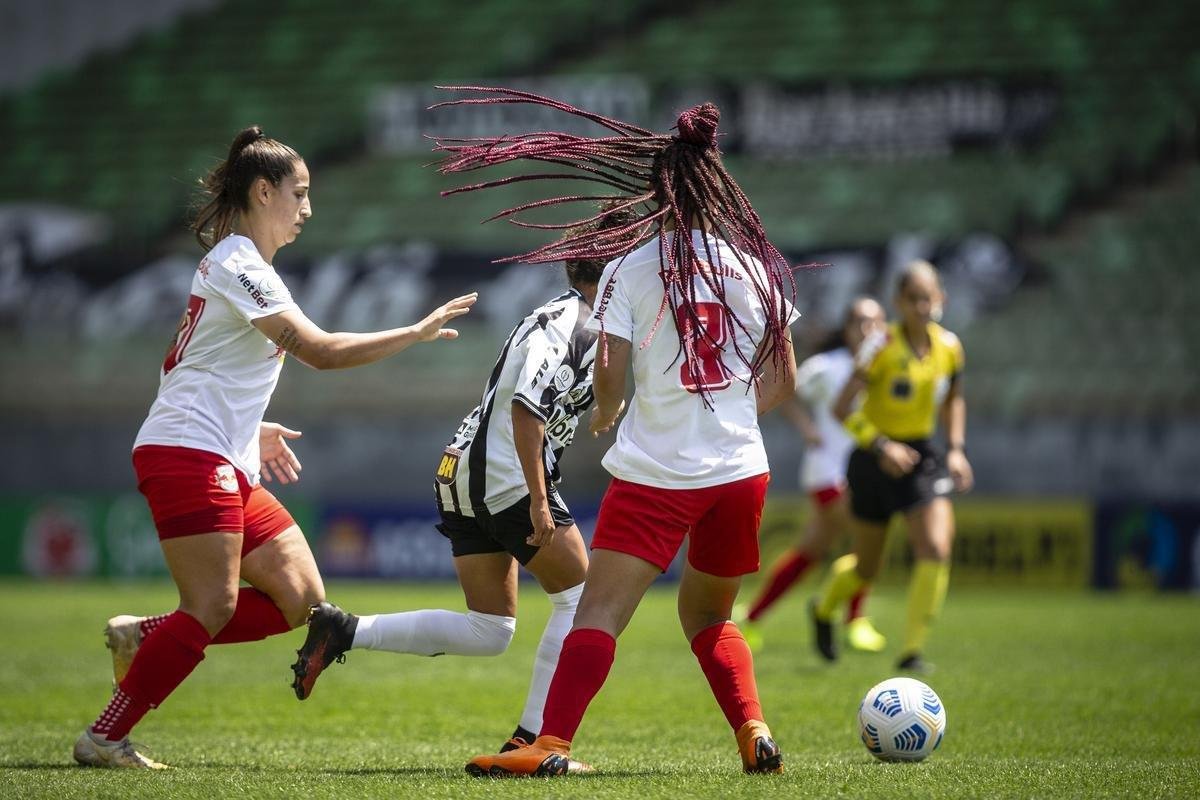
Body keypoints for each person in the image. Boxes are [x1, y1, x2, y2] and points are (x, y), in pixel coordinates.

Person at [72, 126, 477, 769]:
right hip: (186, 452)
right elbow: (317, 350)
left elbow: (193, 364)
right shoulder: (238, 264)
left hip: (218, 449)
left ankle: (143, 636)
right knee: (211, 606)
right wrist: (416, 331)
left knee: (302, 598)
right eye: (301, 194)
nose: (307, 210)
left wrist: (248, 426)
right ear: (264, 192)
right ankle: (104, 737)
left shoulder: (245, 269)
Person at [427, 89, 798, 777]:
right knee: (710, 619)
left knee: (597, 609)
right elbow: (783, 380)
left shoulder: (631, 267)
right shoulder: (757, 267)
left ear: (659, 190)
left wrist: (605, 412)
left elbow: (611, 370)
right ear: (718, 186)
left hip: (657, 472)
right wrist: (731, 419)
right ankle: (754, 733)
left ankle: (551, 744)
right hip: (741, 471)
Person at [287, 205, 641, 766]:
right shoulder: (575, 324)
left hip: (462, 472)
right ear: (614, 272)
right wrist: (541, 498)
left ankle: (344, 630)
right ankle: (531, 743)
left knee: (490, 629)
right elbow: (528, 410)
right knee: (582, 600)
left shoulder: (572, 319)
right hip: (504, 477)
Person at [809, 260, 973, 673]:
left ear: (942, 300)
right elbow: (843, 407)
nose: (922, 306)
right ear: (899, 302)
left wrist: (955, 448)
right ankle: (825, 606)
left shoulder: (950, 347)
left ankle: (912, 651)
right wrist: (882, 445)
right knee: (867, 566)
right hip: (871, 459)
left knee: (935, 547)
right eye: (914, 299)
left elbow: (954, 398)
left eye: (929, 298)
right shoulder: (879, 345)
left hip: (921, 457)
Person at [737, 297, 888, 654]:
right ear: (848, 329)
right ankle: (854, 620)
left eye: (876, 322)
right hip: (828, 470)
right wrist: (806, 427)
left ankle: (753, 618)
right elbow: (786, 388)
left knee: (810, 550)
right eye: (861, 323)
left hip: (864, 471)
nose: (869, 330)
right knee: (868, 537)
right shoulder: (827, 367)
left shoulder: (888, 366)